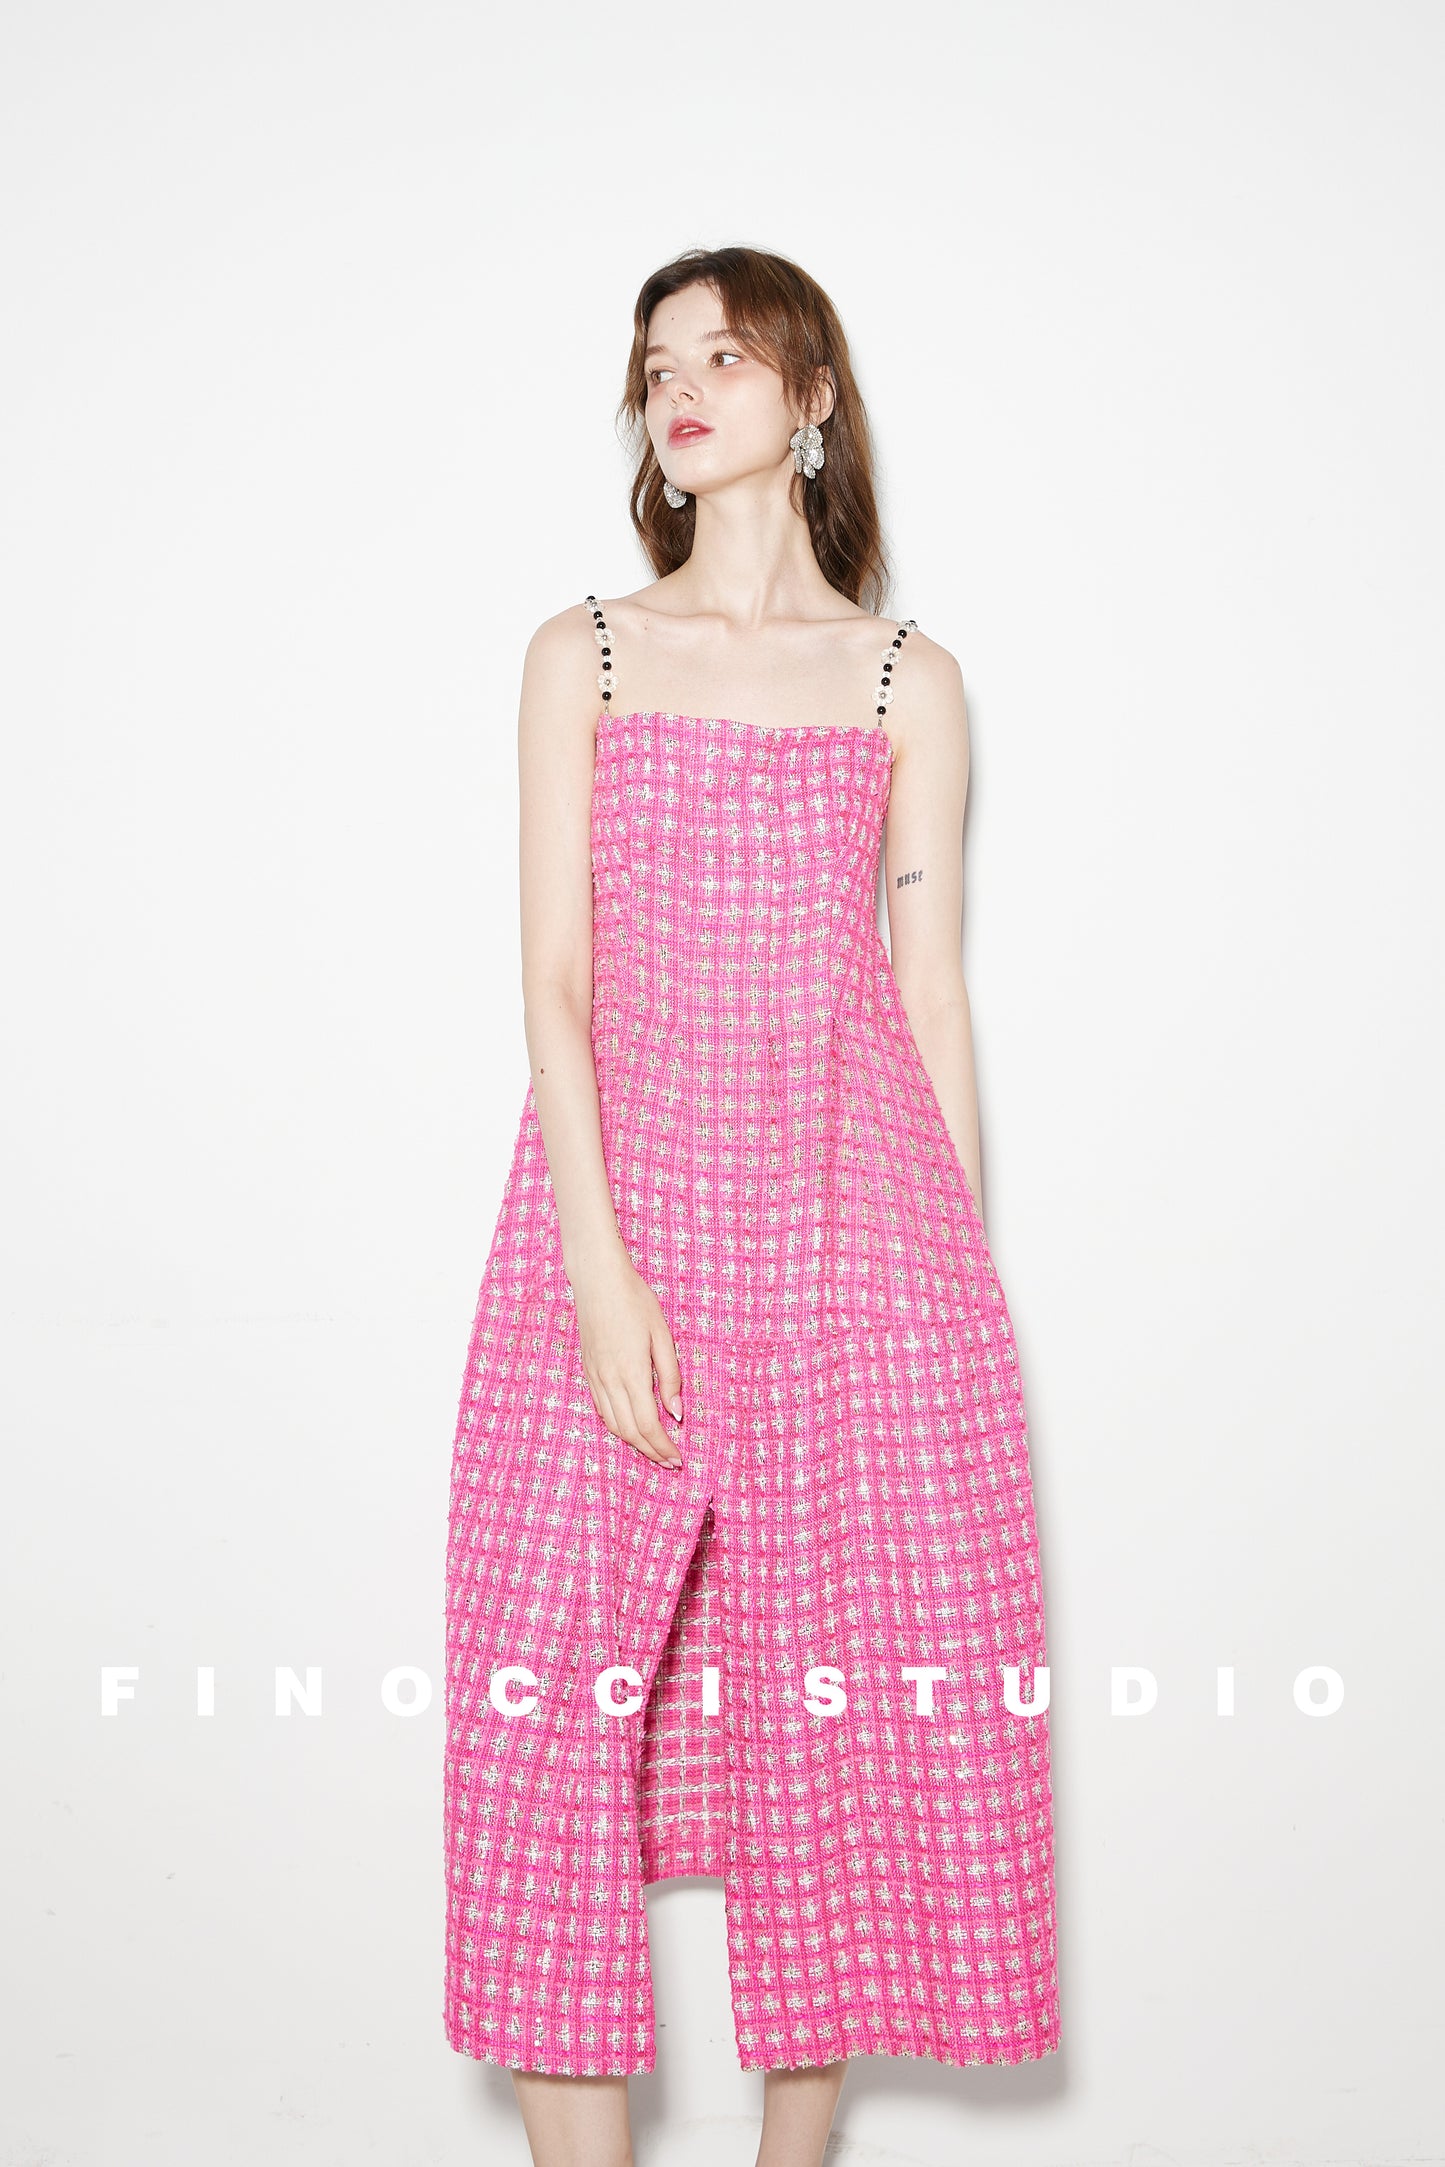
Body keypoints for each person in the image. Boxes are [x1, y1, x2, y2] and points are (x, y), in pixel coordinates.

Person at [443, 244, 1060, 2167]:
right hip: (607, 1236)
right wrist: (600, 1271)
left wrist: (948, 1313)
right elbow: (553, 984)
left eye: (722, 355)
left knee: (836, 1728)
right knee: (542, 1737)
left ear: (809, 396)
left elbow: (929, 999)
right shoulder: (583, 653)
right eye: (656, 366)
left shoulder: (902, 680)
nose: (681, 389)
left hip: (851, 1253)